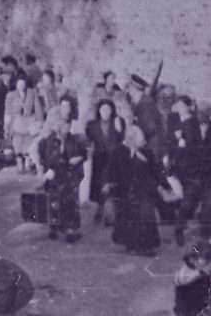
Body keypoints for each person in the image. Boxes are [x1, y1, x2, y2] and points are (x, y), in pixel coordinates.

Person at [104, 124, 171, 256]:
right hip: (125, 191)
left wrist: (165, 187)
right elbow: (110, 170)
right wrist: (107, 184)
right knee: (128, 218)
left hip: (144, 190)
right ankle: (131, 246)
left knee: (146, 216)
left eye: (135, 138)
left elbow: (156, 172)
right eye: (130, 138)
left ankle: (147, 246)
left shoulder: (147, 152)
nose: (132, 141)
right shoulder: (118, 151)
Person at [37, 96, 88, 243]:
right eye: (62, 106)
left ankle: (65, 228)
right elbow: (46, 152)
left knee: (68, 199)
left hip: (70, 172)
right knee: (58, 199)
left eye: (67, 106)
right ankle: (60, 227)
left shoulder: (74, 131)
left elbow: (83, 148)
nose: (65, 109)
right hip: (57, 172)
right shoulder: (52, 137)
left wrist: (79, 157)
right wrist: (45, 168)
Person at [171, 96, 211, 245]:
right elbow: (180, 149)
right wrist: (174, 169)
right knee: (187, 204)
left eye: (205, 113)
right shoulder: (188, 125)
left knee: (208, 205)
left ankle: (205, 237)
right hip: (191, 174)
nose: (201, 115)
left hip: (208, 175)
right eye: (199, 112)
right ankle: (179, 230)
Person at [85, 99, 125, 225]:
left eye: (108, 109)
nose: (105, 112)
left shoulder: (118, 121)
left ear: (112, 110)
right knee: (99, 185)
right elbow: (88, 141)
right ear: (99, 110)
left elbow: (122, 134)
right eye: (103, 109)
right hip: (99, 158)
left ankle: (112, 215)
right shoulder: (92, 124)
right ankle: (100, 210)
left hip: (114, 158)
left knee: (113, 183)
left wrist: (119, 126)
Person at [4, 75, 43, 174]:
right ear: (16, 84)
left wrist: (39, 121)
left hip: (28, 122)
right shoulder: (10, 95)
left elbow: (37, 108)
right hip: (16, 123)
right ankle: (19, 164)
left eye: (23, 83)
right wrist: (7, 125)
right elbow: (8, 111)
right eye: (19, 83)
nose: (21, 85)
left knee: (28, 143)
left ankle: (27, 163)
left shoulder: (32, 93)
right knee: (17, 144)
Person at [174, 240, 211, 316]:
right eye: (206, 262)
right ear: (192, 260)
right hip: (188, 308)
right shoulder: (186, 272)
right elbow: (180, 281)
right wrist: (199, 273)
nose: (208, 265)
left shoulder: (203, 270)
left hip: (201, 303)